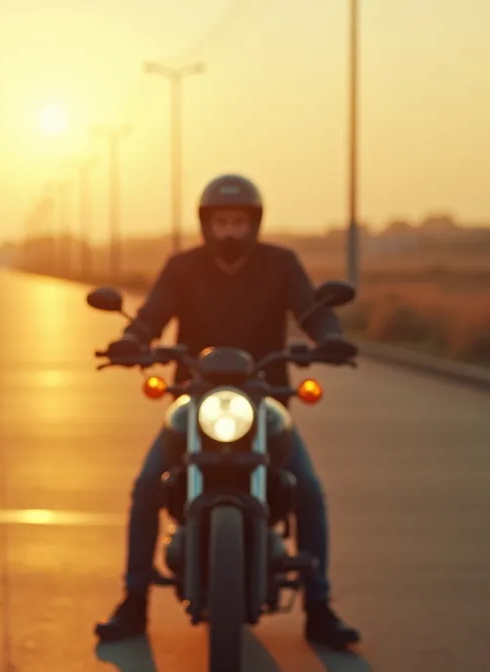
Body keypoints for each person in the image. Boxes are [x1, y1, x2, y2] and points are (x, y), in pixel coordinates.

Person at [92, 173, 361, 650]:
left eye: (239, 221)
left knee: (309, 491)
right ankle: (133, 601)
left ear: (253, 224)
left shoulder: (281, 264)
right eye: (222, 222)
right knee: (148, 484)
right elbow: (153, 312)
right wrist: (132, 340)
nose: (230, 231)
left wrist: (330, 336)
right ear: (206, 224)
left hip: (264, 398)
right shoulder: (182, 267)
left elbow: (312, 309)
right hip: (194, 397)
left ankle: (319, 607)